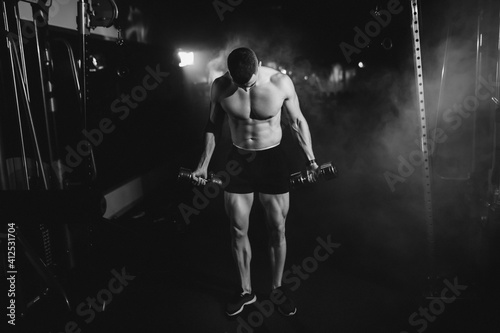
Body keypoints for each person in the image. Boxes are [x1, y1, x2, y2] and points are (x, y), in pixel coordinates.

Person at [192, 47, 319, 317]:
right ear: (229, 73)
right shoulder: (221, 87)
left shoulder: (279, 83)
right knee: (237, 229)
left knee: (277, 228)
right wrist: (203, 165)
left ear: (258, 65)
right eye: (240, 84)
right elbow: (213, 126)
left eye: (249, 82)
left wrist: (311, 160)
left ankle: (276, 288)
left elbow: (296, 121)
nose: (245, 89)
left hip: (273, 159)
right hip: (238, 161)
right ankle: (245, 291)